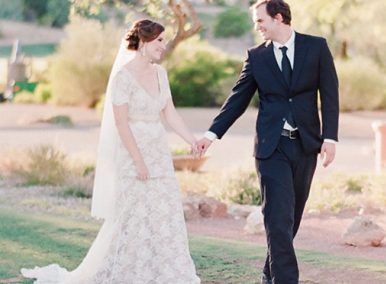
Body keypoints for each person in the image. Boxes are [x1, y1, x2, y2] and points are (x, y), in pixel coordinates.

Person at [21, 19, 201, 284]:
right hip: (132, 153)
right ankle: (131, 272)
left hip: (159, 153)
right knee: (134, 216)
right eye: (160, 41)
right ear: (143, 41)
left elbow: (170, 114)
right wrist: (138, 161)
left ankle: (163, 272)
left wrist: (191, 140)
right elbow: (121, 123)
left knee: (164, 213)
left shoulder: (160, 74)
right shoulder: (123, 77)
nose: (164, 46)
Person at [197, 0, 339, 283]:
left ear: (278, 18)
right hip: (270, 148)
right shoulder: (256, 57)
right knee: (276, 217)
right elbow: (237, 99)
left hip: (305, 145)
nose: (256, 27)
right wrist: (211, 134)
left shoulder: (316, 47)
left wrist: (330, 137)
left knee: (291, 218)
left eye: (260, 21)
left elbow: (330, 95)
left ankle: (268, 273)